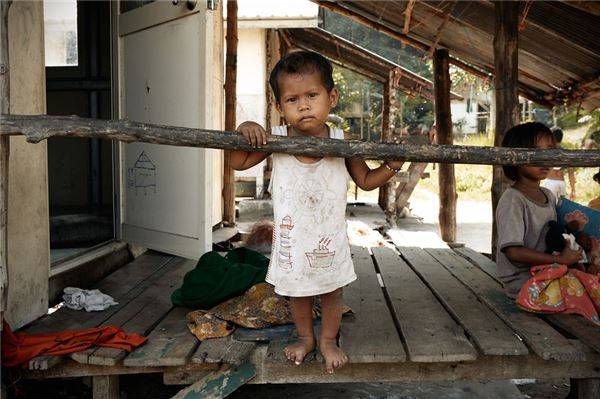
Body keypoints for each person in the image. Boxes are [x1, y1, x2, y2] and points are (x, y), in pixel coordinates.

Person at [230, 51, 404, 373]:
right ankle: (305, 338)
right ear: (280, 107)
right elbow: (237, 162)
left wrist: (391, 167)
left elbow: (366, 181)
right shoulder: (276, 139)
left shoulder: (342, 141)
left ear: (332, 97)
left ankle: (327, 340)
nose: (304, 105)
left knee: (332, 291)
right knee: (298, 293)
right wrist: (245, 129)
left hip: (329, 238)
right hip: (292, 240)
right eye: (293, 99)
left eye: (312, 95)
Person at [496, 122, 583, 299]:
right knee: (584, 292)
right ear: (515, 157)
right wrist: (561, 260)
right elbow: (513, 252)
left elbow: (552, 233)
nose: (544, 158)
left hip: (547, 273)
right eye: (535, 151)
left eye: (549, 150)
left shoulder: (548, 195)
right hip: (523, 283)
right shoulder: (513, 199)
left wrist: (572, 230)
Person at [541, 127, 576, 202]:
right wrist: (573, 189)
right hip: (561, 183)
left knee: (548, 209)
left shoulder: (547, 152)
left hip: (550, 182)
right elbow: (571, 172)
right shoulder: (566, 152)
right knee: (560, 210)